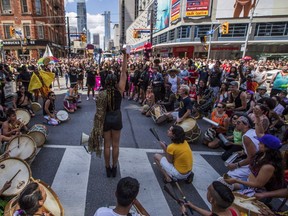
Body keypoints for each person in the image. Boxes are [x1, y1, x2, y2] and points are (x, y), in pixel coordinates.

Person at [224, 107, 285, 197]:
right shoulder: (262, 154)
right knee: (223, 182)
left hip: (256, 191)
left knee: (225, 185)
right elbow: (259, 132)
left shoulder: (268, 166)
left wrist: (236, 180)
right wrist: (257, 116)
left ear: (267, 148)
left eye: (261, 143)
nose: (258, 144)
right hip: (248, 180)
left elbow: (257, 185)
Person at [102, 53, 127, 178]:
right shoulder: (120, 90)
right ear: (115, 81)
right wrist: (125, 56)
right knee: (116, 145)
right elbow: (123, 73)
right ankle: (114, 167)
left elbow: (99, 111)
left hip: (106, 119)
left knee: (106, 145)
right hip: (117, 118)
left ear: (106, 82)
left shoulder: (102, 93)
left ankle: (107, 168)